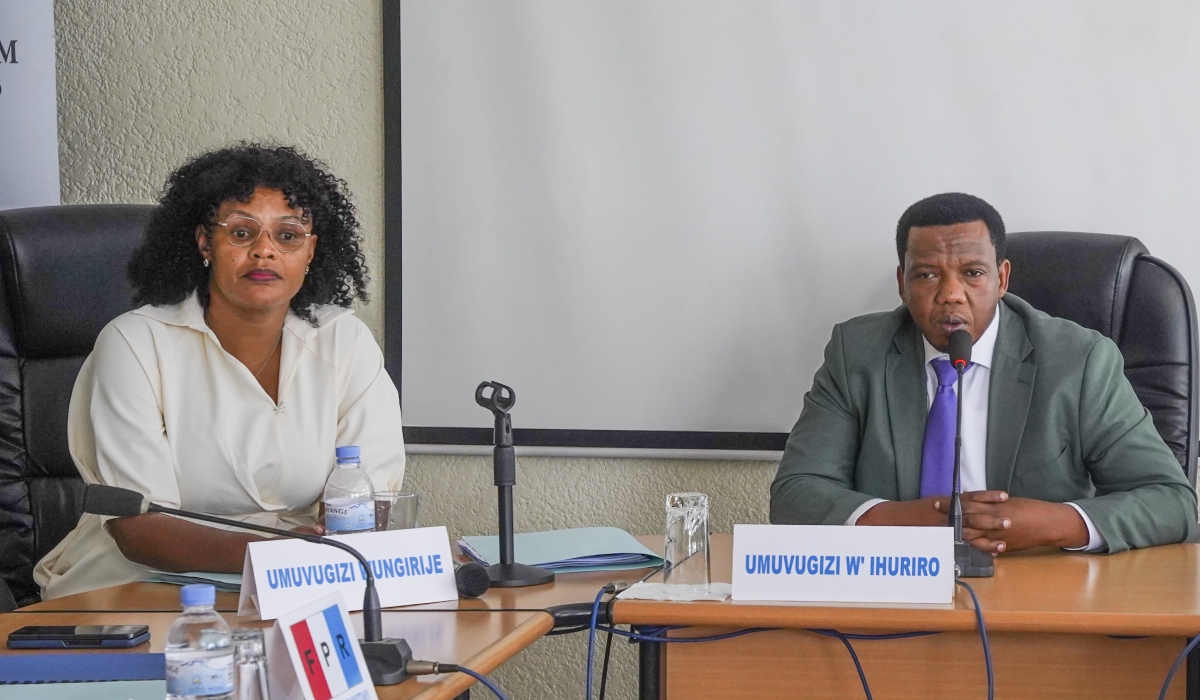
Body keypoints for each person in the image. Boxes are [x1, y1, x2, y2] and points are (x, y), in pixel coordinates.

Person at [35, 144, 405, 598]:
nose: (265, 252)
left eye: (288, 236)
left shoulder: (343, 342)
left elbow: (372, 499)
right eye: (242, 233)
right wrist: (281, 551)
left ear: (311, 251)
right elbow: (139, 529)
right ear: (205, 243)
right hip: (143, 583)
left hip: (299, 579)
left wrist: (326, 547)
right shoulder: (135, 343)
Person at [770, 192, 1196, 554]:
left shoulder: (1080, 361)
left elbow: (1173, 503)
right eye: (927, 274)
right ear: (902, 283)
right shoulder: (858, 353)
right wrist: (903, 522)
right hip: (895, 590)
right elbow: (796, 494)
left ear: (1002, 278)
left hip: (1038, 594)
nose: (951, 294)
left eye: (972, 273)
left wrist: (1058, 523)